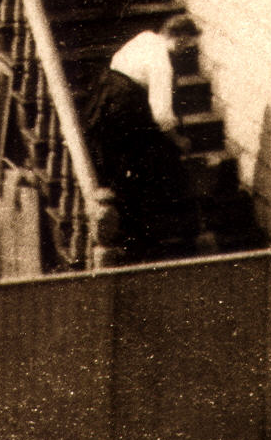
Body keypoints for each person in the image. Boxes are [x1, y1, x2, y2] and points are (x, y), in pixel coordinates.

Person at [80, 22, 200, 264]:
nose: (185, 51)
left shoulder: (145, 38)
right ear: (179, 39)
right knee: (136, 179)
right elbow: (162, 115)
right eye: (187, 45)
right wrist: (179, 140)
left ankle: (127, 238)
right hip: (123, 114)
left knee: (115, 173)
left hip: (103, 101)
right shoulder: (162, 65)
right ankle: (136, 245)